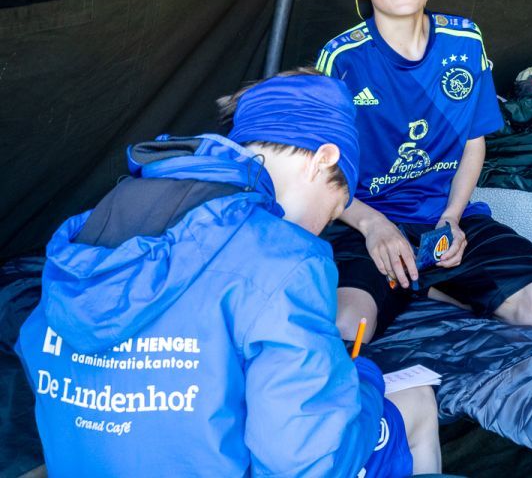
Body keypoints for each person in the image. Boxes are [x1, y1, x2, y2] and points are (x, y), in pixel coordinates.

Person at [16, 72, 441, 477]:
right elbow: (306, 465)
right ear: (323, 158)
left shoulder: (100, 223)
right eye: (332, 210)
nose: (321, 228)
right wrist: (361, 382)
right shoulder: (285, 256)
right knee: (416, 403)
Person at [317, 0, 532, 343]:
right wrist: (373, 227)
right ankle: (414, 284)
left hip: (442, 221)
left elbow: (473, 141)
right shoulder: (342, 60)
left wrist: (452, 218)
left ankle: (424, 284)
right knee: (346, 329)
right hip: (367, 222)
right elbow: (319, 171)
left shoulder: (465, 41)